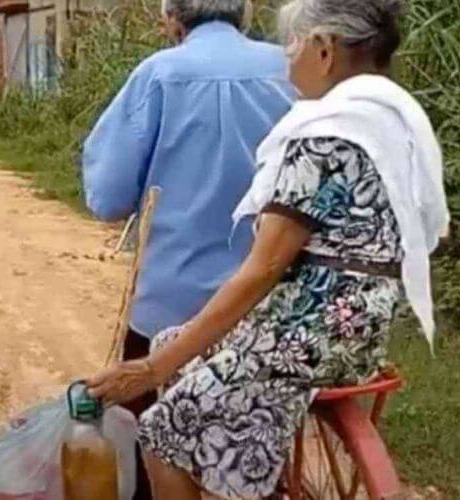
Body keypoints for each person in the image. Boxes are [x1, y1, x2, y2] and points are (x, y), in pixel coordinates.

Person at [87, 0, 448, 498]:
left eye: (294, 47)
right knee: (174, 340)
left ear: (323, 50)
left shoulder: (322, 137)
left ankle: (208, 455)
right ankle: (230, 457)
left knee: (159, 429)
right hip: (365, 326)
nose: (287, 61)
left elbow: (263, 269)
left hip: (308, 329)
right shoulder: (393, 120)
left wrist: (152, 370)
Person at [80, 0, 294, 496]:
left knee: (136, 424)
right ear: (245, 13)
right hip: (273, 304)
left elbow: (107, 197)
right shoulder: (293, 67)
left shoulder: (159, 74)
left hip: (171, 309)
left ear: (172, 20)